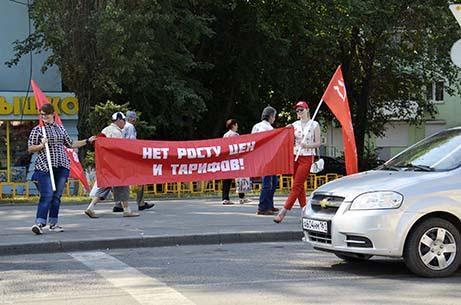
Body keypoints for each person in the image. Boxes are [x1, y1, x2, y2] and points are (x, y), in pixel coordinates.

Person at [28, 104, 96, 235]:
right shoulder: (38, 130)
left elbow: (71, 144)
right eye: (42, 115)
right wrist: (41, 145)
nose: (44, 117)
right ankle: (40, 223)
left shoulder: (60, 128)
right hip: (44, 167)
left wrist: (87, 141)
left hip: (62, 166)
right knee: (47, 195)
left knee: (57, 196)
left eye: (46, 115)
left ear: (53, 114)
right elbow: (30, 148)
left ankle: (53, 223)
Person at [84, 112, 139, 218]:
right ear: (119, 120)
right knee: (123, 184)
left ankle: (90, 207)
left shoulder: (106, 130)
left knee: (106, 186)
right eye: (123, 121)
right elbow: (118, 150)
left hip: (106, 164)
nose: (124, 123)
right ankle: (127, 210)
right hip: (115, 164)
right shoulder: (116, 133)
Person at [274, 101, 321, 223]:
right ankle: (304, 211)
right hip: (295, 156)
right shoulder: (294, 124)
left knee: (296, 185)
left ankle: (284, 210)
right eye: (297, 110)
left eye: (301, 110)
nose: (299, 112)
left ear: (307, 110)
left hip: (307, 157)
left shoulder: (314, 124)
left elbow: (318, 143)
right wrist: (286, 130)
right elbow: (287, 138)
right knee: (299, 186)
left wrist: (307, 145)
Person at [112, 111, 155, 212]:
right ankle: (140, 203)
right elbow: (131, 143)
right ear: (131, 118)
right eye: (134, 118)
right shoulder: (130, 126)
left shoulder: (120, 128)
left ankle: (118, 204)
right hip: (129, 158)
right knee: (141, 179)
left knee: (121, 181)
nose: (135, 120)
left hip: (120, 158)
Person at [251, 106, 280, 215]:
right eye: (274, 116)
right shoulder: (267, 128)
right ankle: (263, 207)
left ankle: (269, 204)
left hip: (260, 157)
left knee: (273, 181)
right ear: (271, 116)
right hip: (267, 158)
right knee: (268, 183)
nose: (274, 119)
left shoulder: (256, 126)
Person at [221, 119, 252, 205]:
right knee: (240, 178)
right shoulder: (236, 135)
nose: (237, 126)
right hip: (235, 159)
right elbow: (239, 147)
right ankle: (242, 198)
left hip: (227, 160)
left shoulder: (225, 135)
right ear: (233, 125)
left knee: (227, 180)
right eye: (236, 125)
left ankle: (225, 198)